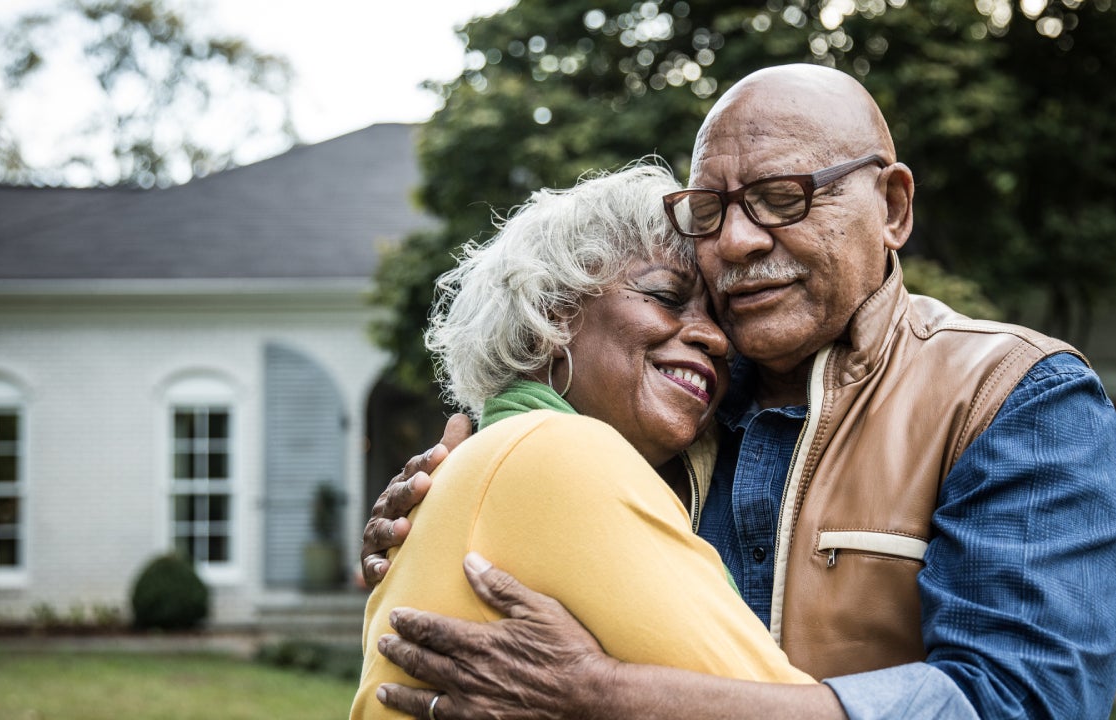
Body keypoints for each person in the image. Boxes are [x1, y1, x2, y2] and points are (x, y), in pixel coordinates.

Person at [362, 64, 1116, 719]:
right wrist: (455, 495)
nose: (735, 241)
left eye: (783, 196)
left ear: (894, 208)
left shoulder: (1012, 397)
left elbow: (1022, 703)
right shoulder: (664, 419)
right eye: (711, 210)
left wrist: (608, 695)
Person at [349, 164, 825, 720]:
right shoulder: (560, 451)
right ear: (549, 319)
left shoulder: (488, 463)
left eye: (717, 316)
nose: (718, 338)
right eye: (668, 296)